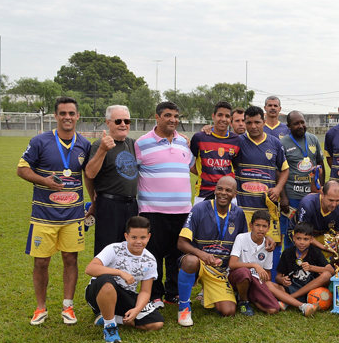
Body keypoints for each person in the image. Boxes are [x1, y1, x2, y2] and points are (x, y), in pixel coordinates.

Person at [18, 97, 92, 325]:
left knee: (71, 259)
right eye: (62, 113)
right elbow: (22, 169)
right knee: (41, 262)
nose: (67, 117)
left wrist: (94, 201)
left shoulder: (84, 144)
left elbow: (88, 174)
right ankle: (40, 308)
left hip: (73, 216)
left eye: (71, 113)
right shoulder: (40, 141)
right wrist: (44, 181)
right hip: (43, 216)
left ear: (78, 116)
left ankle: (68, 307)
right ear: (55, 116)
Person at [135, 101, 194, 307]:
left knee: (177, 253)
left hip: (183, 211)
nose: (173, 120)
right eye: (168, 115)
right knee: (154, 253)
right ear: (157, 117)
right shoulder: (141, 143)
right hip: (153, 210)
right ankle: (154, 293)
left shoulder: (183, 143)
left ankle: (172, 292)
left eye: (176, 116)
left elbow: (193, 168)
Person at [176, 177, 248, 326]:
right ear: (215, 190)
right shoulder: (199, 209)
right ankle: (184, 307)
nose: (223, 193)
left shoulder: (239, 214)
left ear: (235, 194)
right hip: (200, 264)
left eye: (228, 190)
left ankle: (209, 292)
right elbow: (181, 243)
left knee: (228, 311)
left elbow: (246, 242)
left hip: (220, 271)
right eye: (220, 189)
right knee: (190, 261)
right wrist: (200, 254)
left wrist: (266, 239)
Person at [84, 216, 164, 343]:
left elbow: (145, 291)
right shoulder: (114, 249)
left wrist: (137, 310)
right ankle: (110, 327)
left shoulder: (150, 260)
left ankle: (112, 318)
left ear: (149, 237)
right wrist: (120, 273)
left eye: (142, 238)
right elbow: (90, 269)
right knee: (106, 280)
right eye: (134, 237)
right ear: (126, 236)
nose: (138, 241)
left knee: (156, 323)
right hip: (98, 292)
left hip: (125, 295)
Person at [227, 210, 315, 317]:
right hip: (239, 277)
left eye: (264, 226)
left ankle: (250, 297)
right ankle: (243, 301)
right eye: (257, 225)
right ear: (251, 226)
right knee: (245, 273)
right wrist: (255, 265)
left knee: (273, 309)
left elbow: (267, 273)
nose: (260, 229)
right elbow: (232, 264)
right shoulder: (241, 238)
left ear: (268, 228)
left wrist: (263, 283)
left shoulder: (269, 245)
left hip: (256, 282)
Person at [234, 105, 289, 269]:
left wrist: (278, 188)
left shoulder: (275, 143)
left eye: (257, 122)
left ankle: (269, 284)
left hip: (267, 207)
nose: (253, 126)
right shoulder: (238, 142)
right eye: (249, 123)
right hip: (244, 205)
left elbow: (285, 170)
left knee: (272, 246)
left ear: (264, 121)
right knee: (242, 247)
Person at [84, 105, 139, 255]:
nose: (123, 124)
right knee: (108, 251)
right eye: (118, 121)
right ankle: (105, 279)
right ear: (108, 123)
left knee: (130, 250)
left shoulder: (133, 144)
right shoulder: (99, 144)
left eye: (127, 121)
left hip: (132, 205)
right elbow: (89, 173)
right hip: (110, 205)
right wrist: (102, 149)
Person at [280, 110, 323, 249]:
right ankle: (290, 263)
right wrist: (283, 197)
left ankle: (309, 264)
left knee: (310, 231)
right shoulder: (283, 143)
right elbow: (279, 171)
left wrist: (320, 189)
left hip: (311, 196)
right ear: (289, 126)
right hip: (292, 196)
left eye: (302, 122)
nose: (300, 126)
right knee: (291, 232)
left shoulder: (313, 139)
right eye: (296, 123)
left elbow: (320, 164)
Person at [189, 101, 241, 204]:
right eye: (220, 115)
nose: (223, 119)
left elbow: (234, 165)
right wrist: (204, 174)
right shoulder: (199, 137)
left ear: (230, 119)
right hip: (203, 193)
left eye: (227, 116)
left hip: (228, 193)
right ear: (213, 116)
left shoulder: (236, 140)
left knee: (229, 220)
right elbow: (189, 162)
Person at [275, 222, 334, 309]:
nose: (302, 242)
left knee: (327, 275)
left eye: (305, 239)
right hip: (292, 287)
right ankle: (296, 302)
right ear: (293, 238)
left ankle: (288, 300)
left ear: (311, 240)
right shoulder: (287, 252)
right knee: (268, 284)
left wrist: (311, 268)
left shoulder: (315, 252)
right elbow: (277, 277)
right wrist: (282, 280)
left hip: (311, 290)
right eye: (298, 238)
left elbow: (331, 271)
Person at [296, 181, 339, 252]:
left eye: (337, 200)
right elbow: (303, 234)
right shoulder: (308, 204)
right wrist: (323, 248)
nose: (334, 204)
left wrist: (337, 245)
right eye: (331, 200)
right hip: (302, 234)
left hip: (323, 234)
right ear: (322, 194)